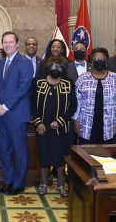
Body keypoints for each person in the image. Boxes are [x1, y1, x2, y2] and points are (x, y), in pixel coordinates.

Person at [31, 56, 77, 197]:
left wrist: (60, 121)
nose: (55, 69)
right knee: (44, 155)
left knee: (60, 156)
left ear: (63, 69)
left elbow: (73, 106)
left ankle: (61, 184)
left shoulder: (68, 83)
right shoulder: (37, 82)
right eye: (53, 66)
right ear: (48, 67)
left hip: (61, 128)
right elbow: (33, 103)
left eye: (58, 67)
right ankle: (44, 184)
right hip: (42, 127)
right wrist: (38, 123)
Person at [0, 31, 33, 195]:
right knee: (4, 151)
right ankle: (8, 181)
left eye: (10, 42)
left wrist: (6, 106)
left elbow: (23, 88)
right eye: (5, 42)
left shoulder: (24, 62)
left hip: (16, 115)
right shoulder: (0, 63)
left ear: (17, 44)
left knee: (19, 151)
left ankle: (18, 184)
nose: (7, 44)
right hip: (1, 115)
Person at [74, 47, 116, 144]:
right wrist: (76, 120)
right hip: (86, 124)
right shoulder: (83, 78)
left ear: (107, 62)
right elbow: (76, 102)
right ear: (92, 61)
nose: (99, 61)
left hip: (110, 125)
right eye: (96, 59)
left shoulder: (115, 78)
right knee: (87, 156)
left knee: (108, 157)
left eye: (103, 59)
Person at [67, 41, 92, 145]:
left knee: (87, 142)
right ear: (72, 51)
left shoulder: (93, 67)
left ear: (86, 51)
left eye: (82, 49)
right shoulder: (66, 67)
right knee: (70, 141)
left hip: (89, 110)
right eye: (76, 49)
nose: (79, 51)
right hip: (71, 108)